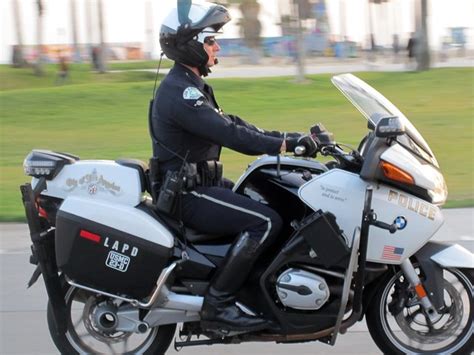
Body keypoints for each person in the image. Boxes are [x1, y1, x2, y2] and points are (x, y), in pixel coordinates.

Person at [151, 1, 317, 333]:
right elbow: (228, 134)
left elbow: (236, 124)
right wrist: (283, 145)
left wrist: (290, 138)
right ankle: (218, 307)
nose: (217, 46)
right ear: (192, 45)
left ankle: (255, 292)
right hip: (189, 194)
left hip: (202, 186)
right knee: (265, 223)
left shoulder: (192, 86)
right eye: (211, 40)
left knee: (271, 203)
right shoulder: (181, 93)